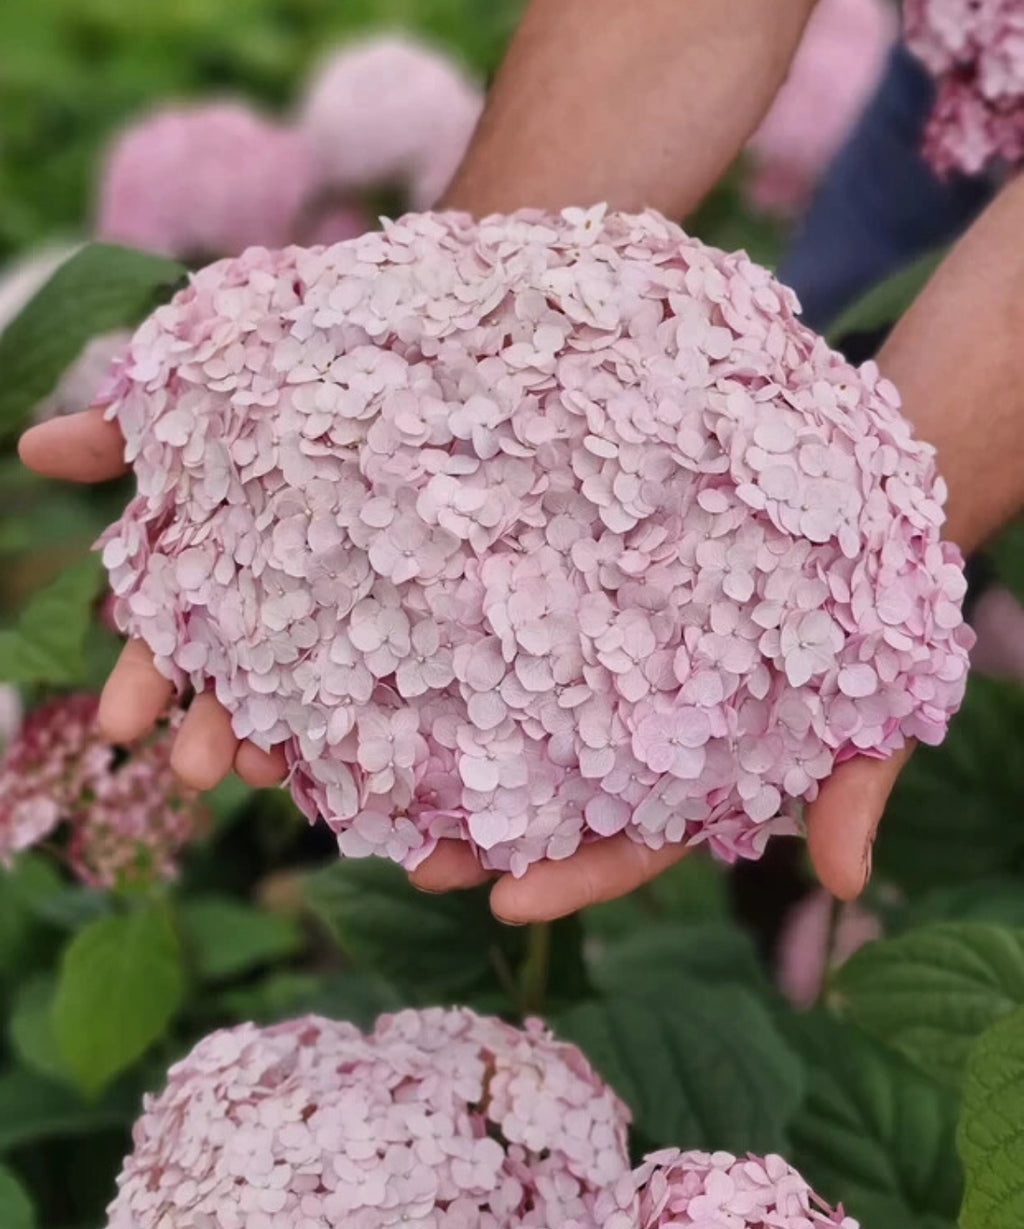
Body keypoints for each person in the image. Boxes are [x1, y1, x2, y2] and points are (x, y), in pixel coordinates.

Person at [18, 0, 1024, 924]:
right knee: (811, 367)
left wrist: (894, 521)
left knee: (840, 535)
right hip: (947, 72)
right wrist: (435, 302)